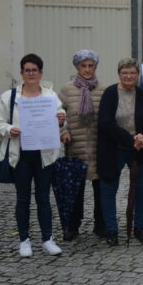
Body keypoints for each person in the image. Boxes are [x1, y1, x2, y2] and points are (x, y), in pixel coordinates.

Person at [0, 53, 66, 257]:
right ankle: (24, 240)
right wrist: (9, 130)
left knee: (43, 197)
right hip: (21, 154)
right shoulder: (10, 97)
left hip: (44, 155)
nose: (31, 73)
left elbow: (61, 120)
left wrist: (61, 121)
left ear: (40, 73)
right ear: (22, 73)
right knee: (23, 198)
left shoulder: (50, 97)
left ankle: (47, 239)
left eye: (35, 70)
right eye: (27, 70)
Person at [96, 59, 143, 246]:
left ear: (138, 75)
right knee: (108, 189)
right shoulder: (110, 94)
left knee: (142, 189)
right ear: (119, 74)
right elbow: (106, 123)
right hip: (115, 148)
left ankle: (139, 226)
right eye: (125, 73)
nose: (129, 76)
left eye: (132, 73)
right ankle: (112, 230)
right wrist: (131, 140)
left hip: (140, 149)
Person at [58, 49, 107, 241]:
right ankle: (73, 225)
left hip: (97, 147)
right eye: (83, 66)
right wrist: (63, 131)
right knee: (75, 190)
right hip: (75, 146)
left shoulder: (103, 89)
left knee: (100, 189)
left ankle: (100, 224)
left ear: (95, 67)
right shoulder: (66, 90)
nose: (87, 69)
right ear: (77, 68)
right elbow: (56, 117)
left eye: (90, 65)